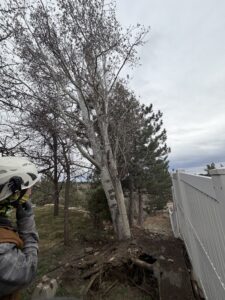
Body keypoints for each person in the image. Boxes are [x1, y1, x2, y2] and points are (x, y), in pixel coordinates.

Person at [0, 157, 40, 300]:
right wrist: (27, 223)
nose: (30, 192)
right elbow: (27, 270)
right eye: (27, 187)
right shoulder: (2, 250)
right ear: (11, 193)